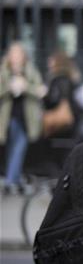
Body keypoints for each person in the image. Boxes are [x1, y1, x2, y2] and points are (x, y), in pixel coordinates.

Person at [0, 42, 45, 194]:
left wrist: (26, 87)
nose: (16, 57)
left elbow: (39, 90)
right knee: (14, 148)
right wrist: (9, 88)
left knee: (19, 147)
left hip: (28, 117)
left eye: (19, 54)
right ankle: (14, 179)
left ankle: (11, 180)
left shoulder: (31, 71)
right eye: (14, 54)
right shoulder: (4, 71)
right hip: (8, 117)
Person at [42, 51, 81, 139]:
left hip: (60, 119)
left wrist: (44, 95)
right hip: (72, 119)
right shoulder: (71, 78)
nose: (49, 63)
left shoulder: (57, 79)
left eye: (51, 61)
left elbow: (54, 99)